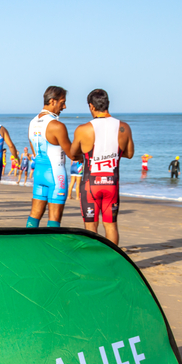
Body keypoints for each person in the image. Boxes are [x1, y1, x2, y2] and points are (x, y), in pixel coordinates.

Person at [69, 88, 135, 246]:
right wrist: (112, 154)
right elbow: (129, 153)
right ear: (108, 104)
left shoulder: (83, 129)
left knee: (91, 227)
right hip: (112, 183)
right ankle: (112, 258)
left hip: (90, 185)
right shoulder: (124, 127)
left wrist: (85, 155)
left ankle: (93, 259)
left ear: (91, 106)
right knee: (111, 226)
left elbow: (73, 153)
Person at [27, 86, 73, 228]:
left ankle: (28, 240)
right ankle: (52, 242)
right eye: (62, 102)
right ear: (52, 101)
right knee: (54, 219)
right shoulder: (57, 126)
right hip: (56, 175)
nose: (64, 107)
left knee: (34, 215)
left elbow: (34, 151)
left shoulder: (32, 123)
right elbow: (72, 154)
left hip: (39, 173)